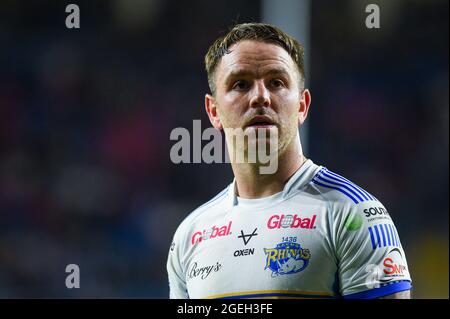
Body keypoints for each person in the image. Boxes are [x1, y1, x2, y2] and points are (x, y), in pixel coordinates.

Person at [167, 23, 412, 299]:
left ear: (302, 106)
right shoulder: (190, 235)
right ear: (213, 111)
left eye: (276, 82)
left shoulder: (353, 215)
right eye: (241, 84)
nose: (260, 96)